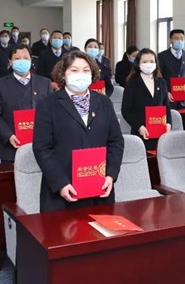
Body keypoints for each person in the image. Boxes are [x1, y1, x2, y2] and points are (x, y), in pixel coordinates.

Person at [33, 51, 124, 212]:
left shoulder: (104, 102)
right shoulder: (48, 104)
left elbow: (116, 141)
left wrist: (111, 175)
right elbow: (42, 148)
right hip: (63, 190)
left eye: (86, 70)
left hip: (99, 187)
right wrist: (60, 183)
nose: (80, 74)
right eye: (74, 70)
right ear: (63, 74)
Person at [0, 44, 53, 162]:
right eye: (17, 58)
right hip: (11, 147)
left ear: (31, 60)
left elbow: (52, 112)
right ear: (10, 61)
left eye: (26, 58)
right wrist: (8, 135)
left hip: (42, 147)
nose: (22, 61)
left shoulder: (44, 83)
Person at [121, 48, 172, 151]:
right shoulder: (132, 83)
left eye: (152, 61)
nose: (149, 64)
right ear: (138, 64)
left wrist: (169, 124)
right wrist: (139, 127)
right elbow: (126, 110)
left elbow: (166, 106)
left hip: (160, 135)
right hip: (141, 134)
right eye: (145, 62)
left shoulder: (162, 82)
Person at [157, 29, 185, 109]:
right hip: (168, 99)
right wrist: (165, 92)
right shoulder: (162, 56)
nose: (179, 41)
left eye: (182, 38)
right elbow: (158, 77)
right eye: (176, 38)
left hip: (184, 100)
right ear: (170, 40)